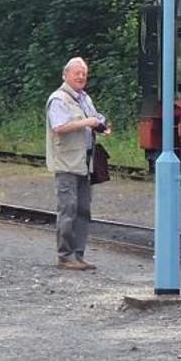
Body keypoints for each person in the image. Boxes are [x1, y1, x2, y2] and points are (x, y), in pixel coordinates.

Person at [45, 57, 108, 270]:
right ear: (66, 75)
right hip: (67, 163)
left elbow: (94, 117)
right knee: (68, 209)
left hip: (84, 162)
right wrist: (87, 122)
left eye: (84, 73)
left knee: (83, 209)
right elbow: (59, 127)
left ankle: (78, 255)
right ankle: (65, 255)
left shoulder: (84, 98)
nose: (81, 77)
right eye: (77, 73)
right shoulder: (58, 99)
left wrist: (101, 123)